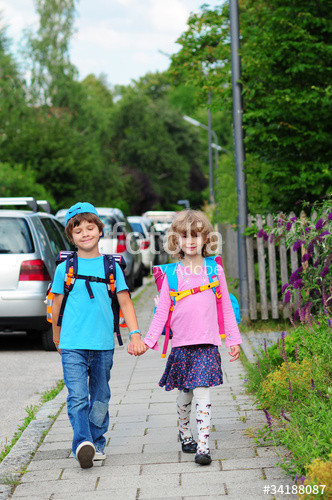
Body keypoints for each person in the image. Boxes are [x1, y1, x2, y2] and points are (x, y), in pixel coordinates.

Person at [133, 209, 242, 466]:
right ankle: (184, 431)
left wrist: (233, 340)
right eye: (184, 236)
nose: (191, 240)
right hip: (181, 345)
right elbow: (161, 314)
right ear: (176, 240)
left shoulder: (214, 270)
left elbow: (225, 306)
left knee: (202, 391)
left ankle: (203, 445)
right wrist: (147, 341)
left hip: (207, 343)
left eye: (196, 235)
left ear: (206, 239)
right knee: (185, 395)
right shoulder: (171, 275)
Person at [51, 202, 146, 469]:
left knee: (101, 396)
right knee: (78, 396)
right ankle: (82, 442)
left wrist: (135, 335)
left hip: (103, 344)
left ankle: (97, 441)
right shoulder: (64, 269)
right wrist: (56, 338)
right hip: (72, 344)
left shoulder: (111, 267)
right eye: (77, 230)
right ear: (71, 237)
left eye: (90, 228)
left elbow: (126, 302)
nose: (85, 234)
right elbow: (56, 306)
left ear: (100, 231)